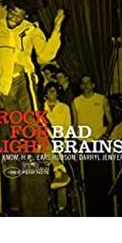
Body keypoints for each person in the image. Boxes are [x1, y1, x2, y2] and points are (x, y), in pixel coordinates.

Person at [0, 0, 67, 216]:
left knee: (33, 121)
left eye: (19, 16)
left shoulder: (31, 29)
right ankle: (19, 200)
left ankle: (58, 167)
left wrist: (56, 28)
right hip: (3, 89)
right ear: (7, 8)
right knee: (17, 132)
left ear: (26, 15)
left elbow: (45, 55)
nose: (14, 19)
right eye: (12, 13)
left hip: (24, 80)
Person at [72, 75, 114, 216]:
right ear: (80, 86)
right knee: (88, 182)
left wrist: (105, 136)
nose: (86, 85)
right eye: (83, 83)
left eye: (89, 82)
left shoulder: (101, 99)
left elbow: (110, 122)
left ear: (93, 85)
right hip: (85, 144)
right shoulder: (76, 101)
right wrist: (77, 142)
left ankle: (106, 212)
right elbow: (75, 124)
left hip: (100, 143)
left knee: (103, 179)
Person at [44, 82, 72, 212]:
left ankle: (62, 207)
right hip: (45, 145)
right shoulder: (40, 108)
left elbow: (67, 127)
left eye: (54, 91)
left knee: (61, 174)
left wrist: (64, 144)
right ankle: (50, 207)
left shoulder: (64, 108)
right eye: (49, 90)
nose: (52, 93)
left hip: (60, 144)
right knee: (47, 176)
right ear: (45, 93)